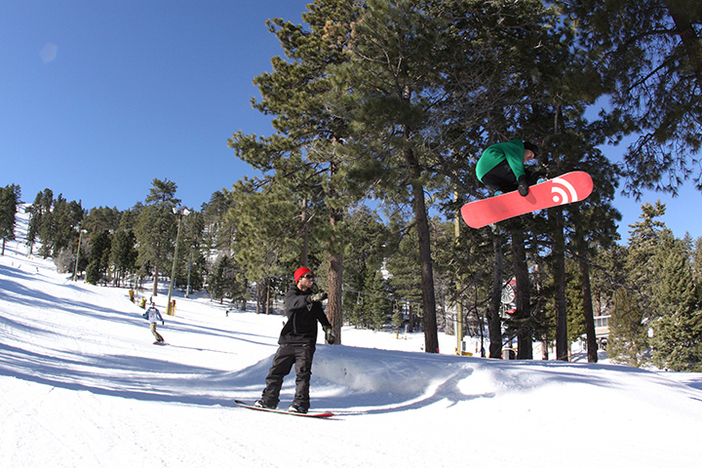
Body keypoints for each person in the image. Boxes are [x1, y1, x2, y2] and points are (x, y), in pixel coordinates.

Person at [255, 267, 335, 413]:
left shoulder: (313, 299)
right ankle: (269, 400)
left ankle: (300, 404)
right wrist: (311, 298)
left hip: (306, 343)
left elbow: (321, 316)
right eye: (308, 277)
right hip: (288, 341)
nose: (311, 279)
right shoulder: (292, 294)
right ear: (299, 279)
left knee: (303, 375)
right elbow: (294, 303)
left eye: (312, 277)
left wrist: (328, 329)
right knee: (276, 372)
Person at [475, 139, 543, 196]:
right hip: (496, 164)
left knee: (511, 188)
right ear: (525, 148)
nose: (529, 158)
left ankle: (499, 192)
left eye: (531, 159)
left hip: (483, 176)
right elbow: (514, 161)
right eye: (530, 154)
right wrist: (522, 179)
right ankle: (540, 180)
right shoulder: (517, 147)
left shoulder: (505, 146)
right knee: (528, 176)